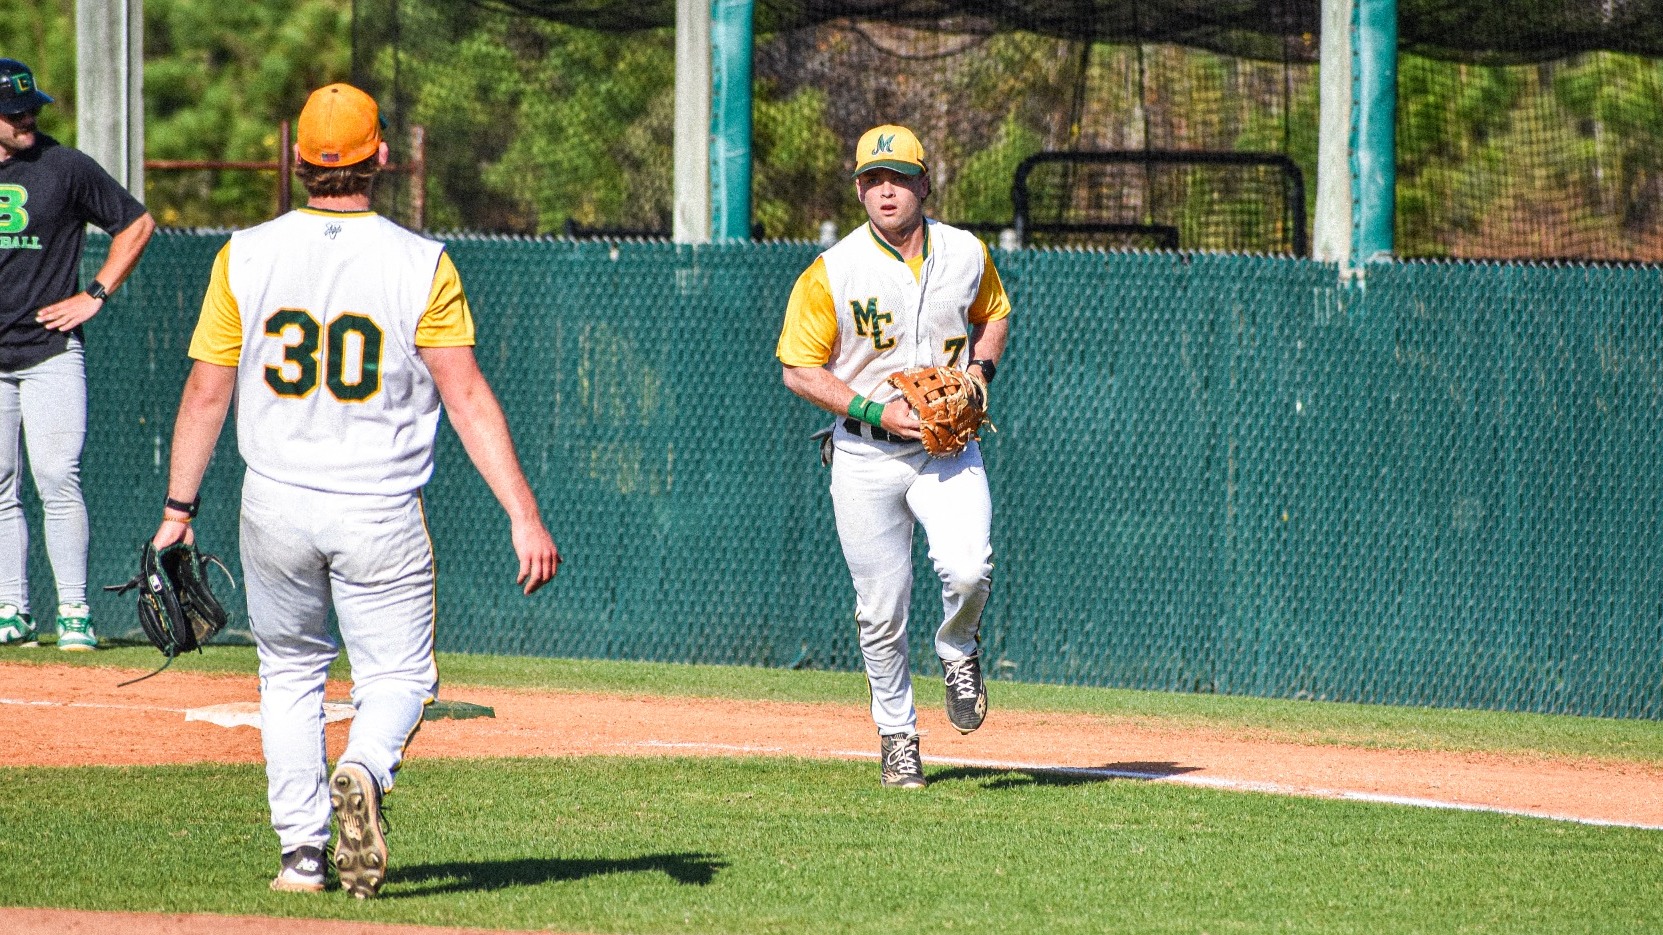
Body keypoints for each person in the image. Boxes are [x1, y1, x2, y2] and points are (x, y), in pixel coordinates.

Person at [149, 83, 561, 897]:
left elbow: (205, 391)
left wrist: (177, 511)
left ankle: (301, 854)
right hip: (376, 504)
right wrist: (523, 513)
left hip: (272, 501)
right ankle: (365, 767)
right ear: (381, 156)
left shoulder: (246, 251)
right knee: (399, 679)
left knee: (289, 673)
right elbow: (467, 395)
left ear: (297, 160)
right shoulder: (420, 262)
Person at [777, 124, 1011, 789]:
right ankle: (897, 734)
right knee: (880, 609)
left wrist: (980, 370)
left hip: (948, 449)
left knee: (968, 570)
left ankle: (957, 645)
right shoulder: (834, 270)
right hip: (864, 453)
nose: (885, 190)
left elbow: (993, 312)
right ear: (858, 189)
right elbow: (798, 367)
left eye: (899, 177)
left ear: (923, 184)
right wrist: (879, 410)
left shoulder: (964, 251)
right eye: (873, 179)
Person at [0, 58, 155, 650]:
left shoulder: (62, 166)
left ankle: (74, 612)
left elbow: (135, 224)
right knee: (2, 483)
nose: (26, 119)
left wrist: (95, 295)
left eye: (31, 107)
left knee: (57, 477)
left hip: (49, 352)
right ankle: (13, 608)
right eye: (14, 112)